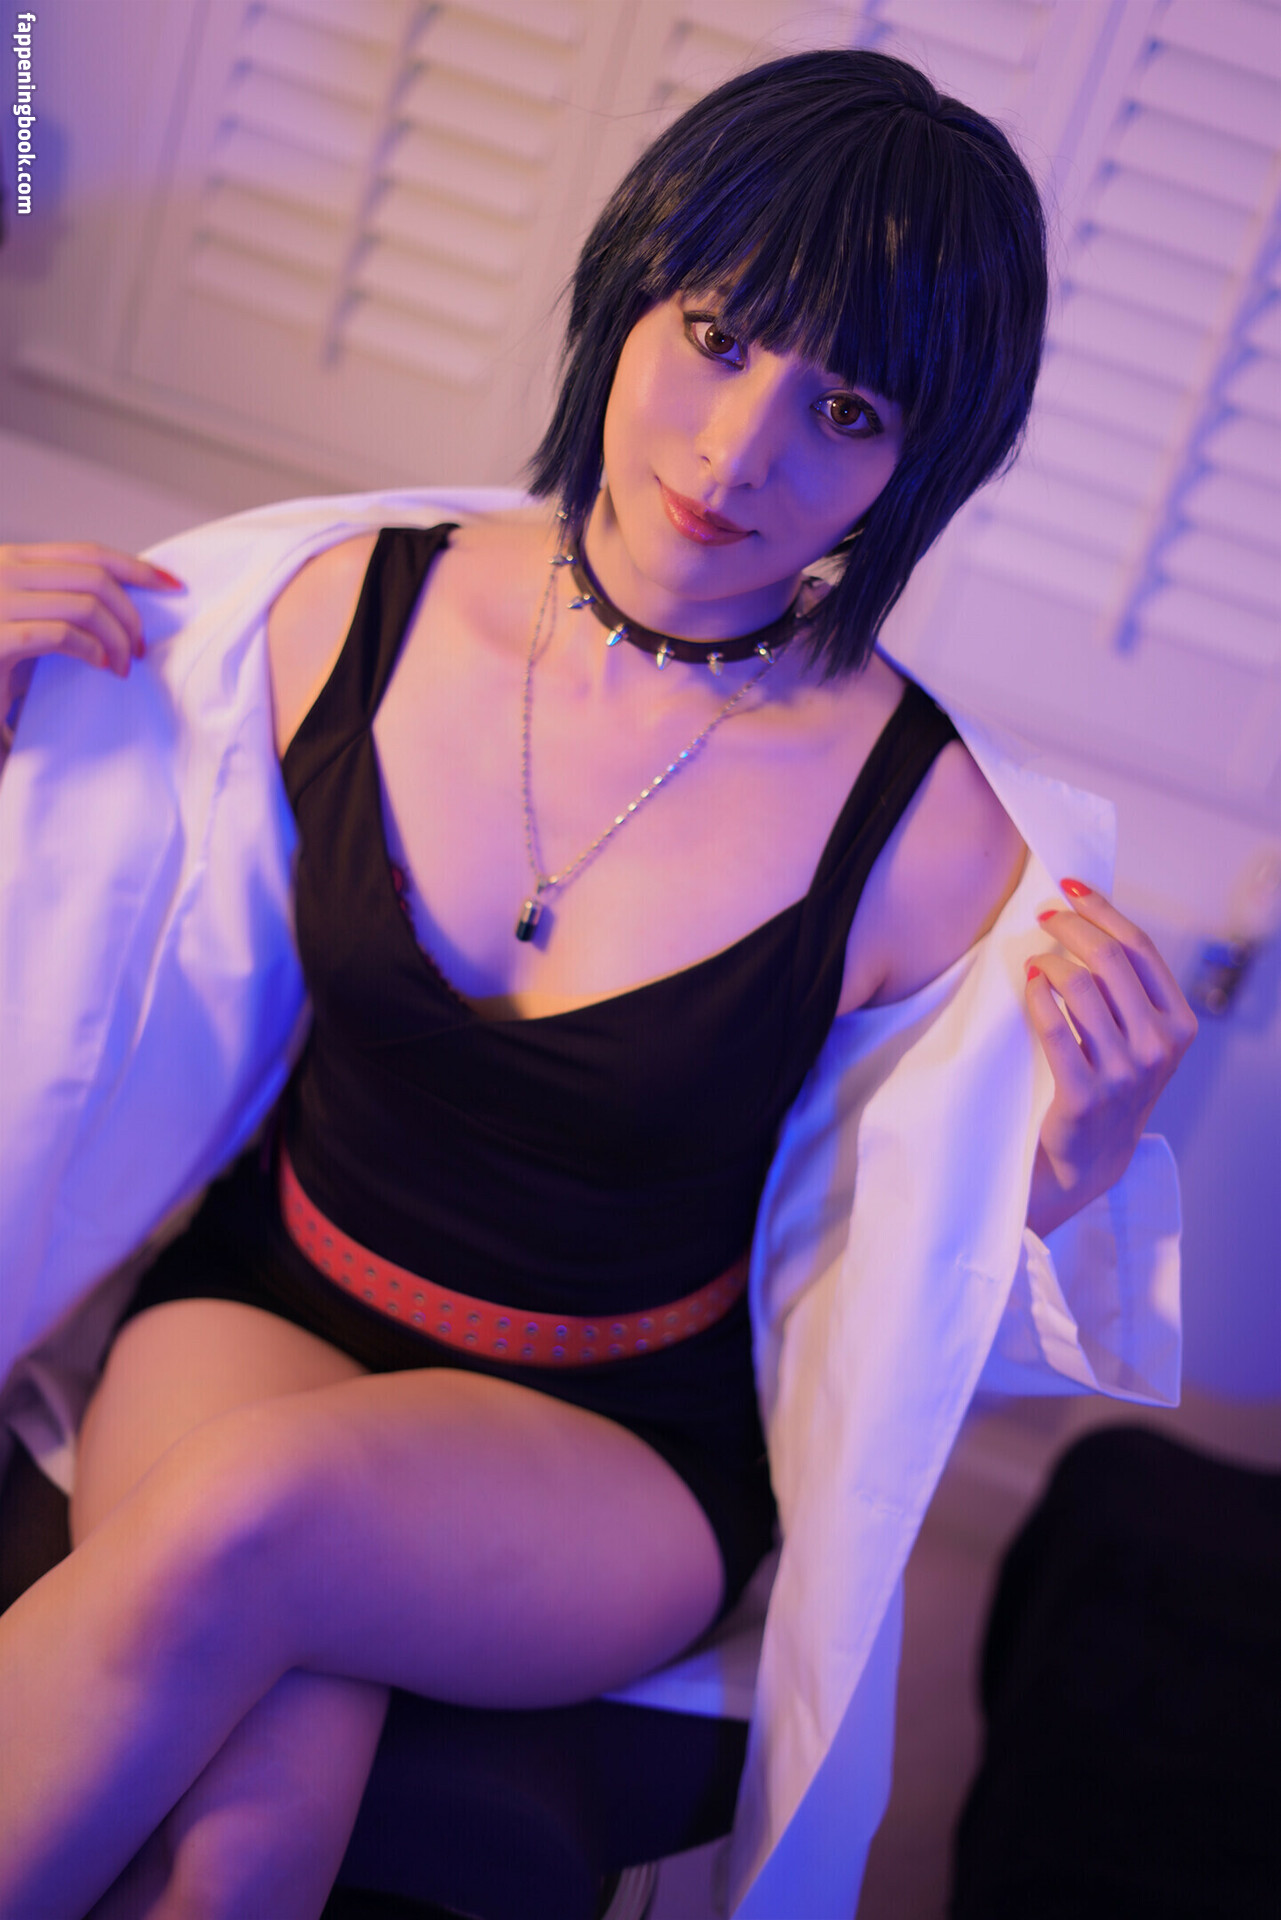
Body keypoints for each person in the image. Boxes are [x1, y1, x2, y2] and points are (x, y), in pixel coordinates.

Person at [0, 49, 1194, 1920]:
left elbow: (913, 1266)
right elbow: (75, 930)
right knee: (245, 1843)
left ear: (923, 464)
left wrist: (1077, 1160)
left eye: (847, 409)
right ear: (630, 283)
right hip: (268, 1297)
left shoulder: (933, 842)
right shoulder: (323, 611)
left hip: (612, 1451)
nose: (736, 454)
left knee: (251, 1513)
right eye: (714, 335)